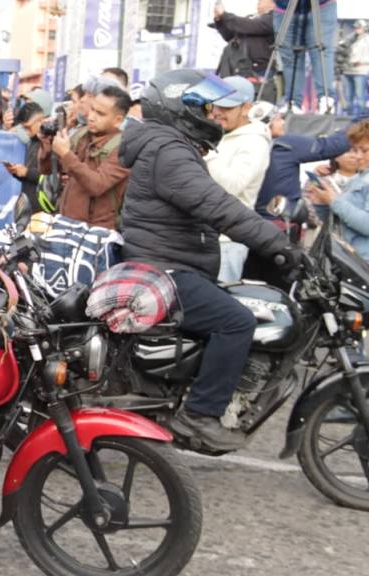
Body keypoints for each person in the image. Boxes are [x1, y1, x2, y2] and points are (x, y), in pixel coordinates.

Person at [119, 69, 297, 451]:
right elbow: (218, 207)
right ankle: (199, 413)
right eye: (204, 108)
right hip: (164, 269)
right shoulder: (169, 151)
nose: (213, 116)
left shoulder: (170, 145)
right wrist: (278, 245)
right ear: (178, 108)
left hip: (168, 262)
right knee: (236, 321)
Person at [204, 76, 273, 281]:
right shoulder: (223, 134)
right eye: (214, 105)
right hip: (206, 237)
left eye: (226, 108)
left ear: (246, 108)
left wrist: (205, 153)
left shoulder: (255, 142)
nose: (217, 113)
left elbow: (233, 185)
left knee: (221, 301)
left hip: (227, 241)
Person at [39, 85, 131, 230]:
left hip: (96, 232)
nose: (91, 117)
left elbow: (97, 185)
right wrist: (48, 143)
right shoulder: (81, 135)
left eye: (100, 114)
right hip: (65, 223)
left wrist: (66, 154)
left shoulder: (123, 148)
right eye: (92, 109)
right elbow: (46, 169)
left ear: (118, 120)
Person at [255, 113, 350, 222]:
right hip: (281, 220)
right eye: (278, 119)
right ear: (266, 123)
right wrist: (358, 127)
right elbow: (328, 147)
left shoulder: (242, 144)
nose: (283, 122)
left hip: (250, 219)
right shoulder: (284, 145)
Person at [306, 121, 369, 259]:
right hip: (350, 261)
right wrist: (321, 203)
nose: (358, 156)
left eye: (364, 150)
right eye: (355, 149)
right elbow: (339, 223)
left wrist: (334, 200)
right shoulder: (358, 178)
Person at [273, 0, 338, 112]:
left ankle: (326, 100)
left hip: (321, 5)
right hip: (284, 6)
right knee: (289, 57)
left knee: (321, 52)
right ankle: (292, 102)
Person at [212, 0, 275, 102]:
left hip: (259, 69)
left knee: (258, 102)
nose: (258, 3)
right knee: (235, 101)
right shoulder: (251, 17)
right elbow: (229, 36)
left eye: (262, 0)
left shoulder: (273, 19)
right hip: (239, 68)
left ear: (273, 3)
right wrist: (220, 20)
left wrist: (225, 15)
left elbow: (248, 25)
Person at [5, 102, 46, 224]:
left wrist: (27, 172)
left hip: (44, 210)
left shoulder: (52, 143)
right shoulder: (31, 142)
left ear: (41, 120)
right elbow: (30, 176)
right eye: (23, 128)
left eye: (28, 127)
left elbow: (53, 179)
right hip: (28, 205)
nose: (26, 132)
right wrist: (17, 172)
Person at [343, 20, 369, 118]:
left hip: (361, 71)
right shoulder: (350, 38)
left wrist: (360, 61)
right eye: (356, 27)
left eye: (359, 27)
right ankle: (348, 116)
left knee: (359, 94)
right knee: (348, 95)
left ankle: (361, 116)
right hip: (348, 70)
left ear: (364, 28)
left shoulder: (367, 39)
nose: (357, 29)